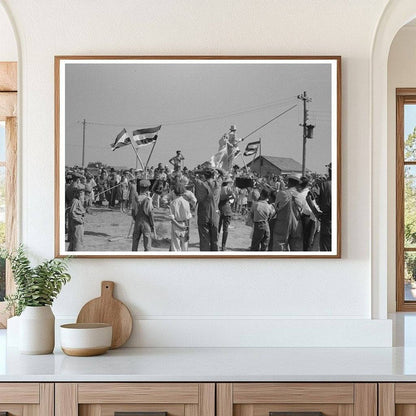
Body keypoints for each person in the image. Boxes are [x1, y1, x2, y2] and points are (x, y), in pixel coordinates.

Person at [192, 167, 223, 251]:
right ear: (213, 175)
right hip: (215, 213)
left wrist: (201, 171)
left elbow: (191, 174)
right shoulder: (218, 183)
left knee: (204, 238)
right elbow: (223, 174)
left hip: (203, 213)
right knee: (215, 238)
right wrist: (216, 168)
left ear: (204, 175)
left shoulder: (201, 184)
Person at [272, 175, 303, 251]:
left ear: (288, 182)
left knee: (280, 244)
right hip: (297, 224)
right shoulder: (301, 195)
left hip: (283, 223)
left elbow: (277, 208)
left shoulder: (282, 193)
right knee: (296, 246)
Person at [307, 163, 332, 251]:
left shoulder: (322, 185)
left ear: (329, 171)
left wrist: (317, 214)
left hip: (327, 222)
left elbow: (309, 197)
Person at [131, 179, 155, 251]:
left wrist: (136, 219)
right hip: (146, 222)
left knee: (135, 243)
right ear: (148, 188)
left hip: (137, 221)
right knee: (147, 245)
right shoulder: (148, 199)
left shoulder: (135, 198)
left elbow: (133, 212)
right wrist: (152, 224)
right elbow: (150, 213)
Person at [169, 183, 192, 251]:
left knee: (175, 247)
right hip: (185, 225)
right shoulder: (186, 203)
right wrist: (188, 231)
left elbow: (172, 219)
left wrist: (178, 225)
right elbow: (188, 218)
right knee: (185, 247)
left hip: (175, 225)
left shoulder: (172, 203)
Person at [218, 175, 235, 251]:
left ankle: (215, 243)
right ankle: (223, 245)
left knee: (217, 228)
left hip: (219, 208)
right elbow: (233, 197)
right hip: (227, 208)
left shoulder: (218, 188)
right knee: (225, 228)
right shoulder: (228, 189)